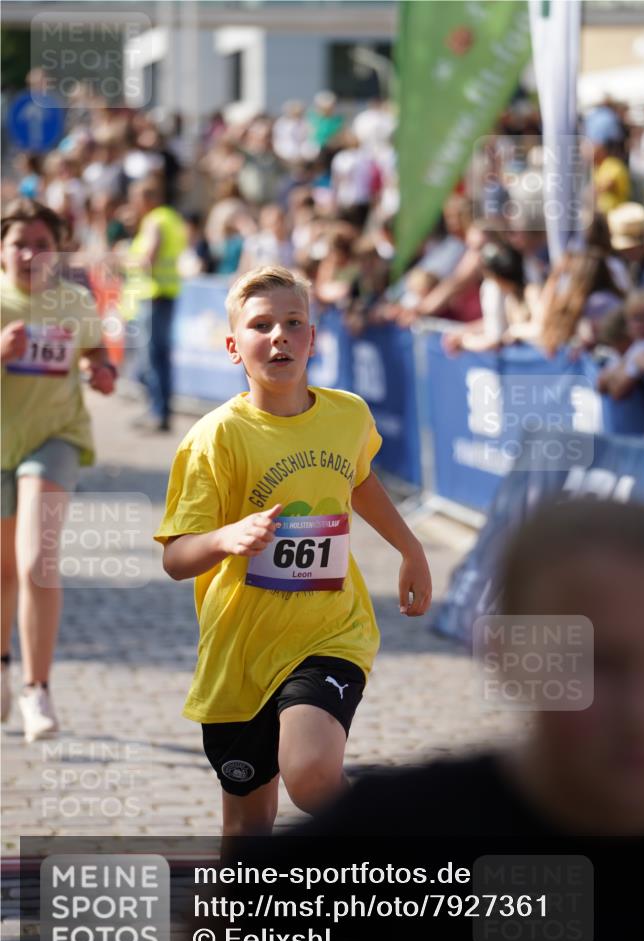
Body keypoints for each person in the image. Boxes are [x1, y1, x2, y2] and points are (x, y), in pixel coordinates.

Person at [195, 498, 644, 941]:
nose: (642, 711)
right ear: (507, 658)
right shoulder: (418, 831)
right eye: (595, 664)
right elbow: (228, 919)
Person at [155, 265, 431, 836]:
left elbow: (359, 481)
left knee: (309, 776)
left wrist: (411, 548)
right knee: (247, 823)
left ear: (313, 337)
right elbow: (177, 558)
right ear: (233, 346)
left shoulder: (347, 415)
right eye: (261, 325)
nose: (278, 335)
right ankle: (245, 924)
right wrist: (224, 539)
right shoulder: (215, 437)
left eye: (293, 322)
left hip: (331, 633)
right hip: (241, 653)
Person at [0, 198, 116, 740]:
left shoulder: (73, 301)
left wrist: (101, 370)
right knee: (3, 572)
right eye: (19, 243)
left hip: (54, 438)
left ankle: (36, 689)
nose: (30, 254)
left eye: (42, 244)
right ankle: (2, 666)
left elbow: (94, 352)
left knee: (36, 562)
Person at [121, 178, 187, 432]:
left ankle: (157, 412)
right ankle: (160, 412)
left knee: (150, 359)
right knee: (160, 357)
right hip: (166, 294)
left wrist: (123, 259)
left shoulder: (154, 221)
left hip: (152, 295)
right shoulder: (171, 218)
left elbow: (147, 259)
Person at [597, 288, 644, 399]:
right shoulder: (637, 346)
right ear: (628, 322)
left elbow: (618, 391)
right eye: (638, 318)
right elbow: (601, 384)